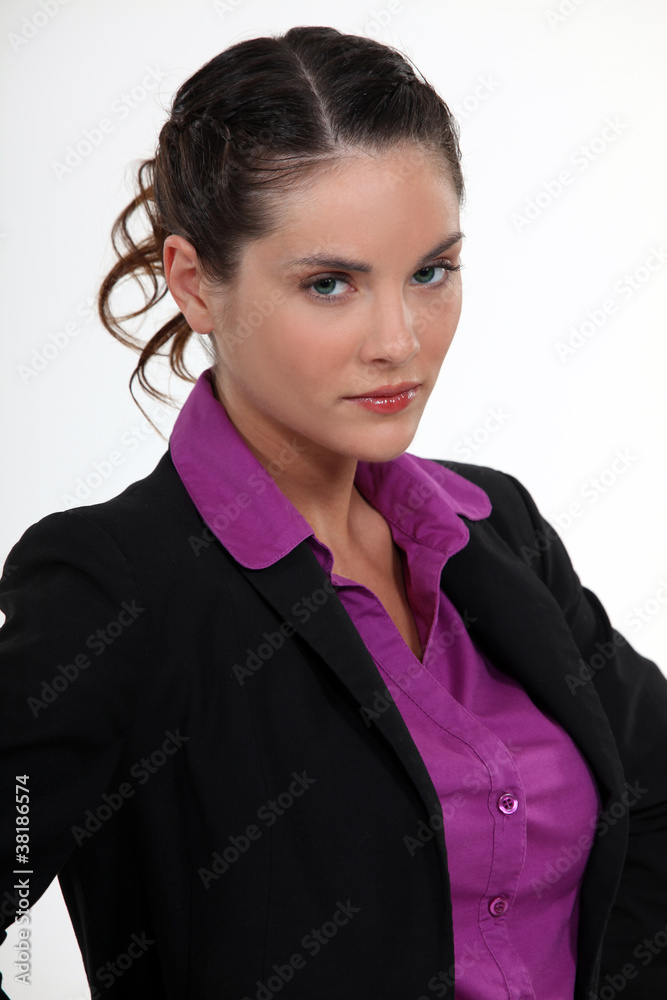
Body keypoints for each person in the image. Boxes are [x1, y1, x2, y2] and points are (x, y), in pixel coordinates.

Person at [0, 24, 665, 1000]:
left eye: (430, 272)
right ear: (194, 284)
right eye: (329, 284)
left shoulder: (496, 526)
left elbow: (653, 801)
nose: (399, 340)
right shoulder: (112, 590)